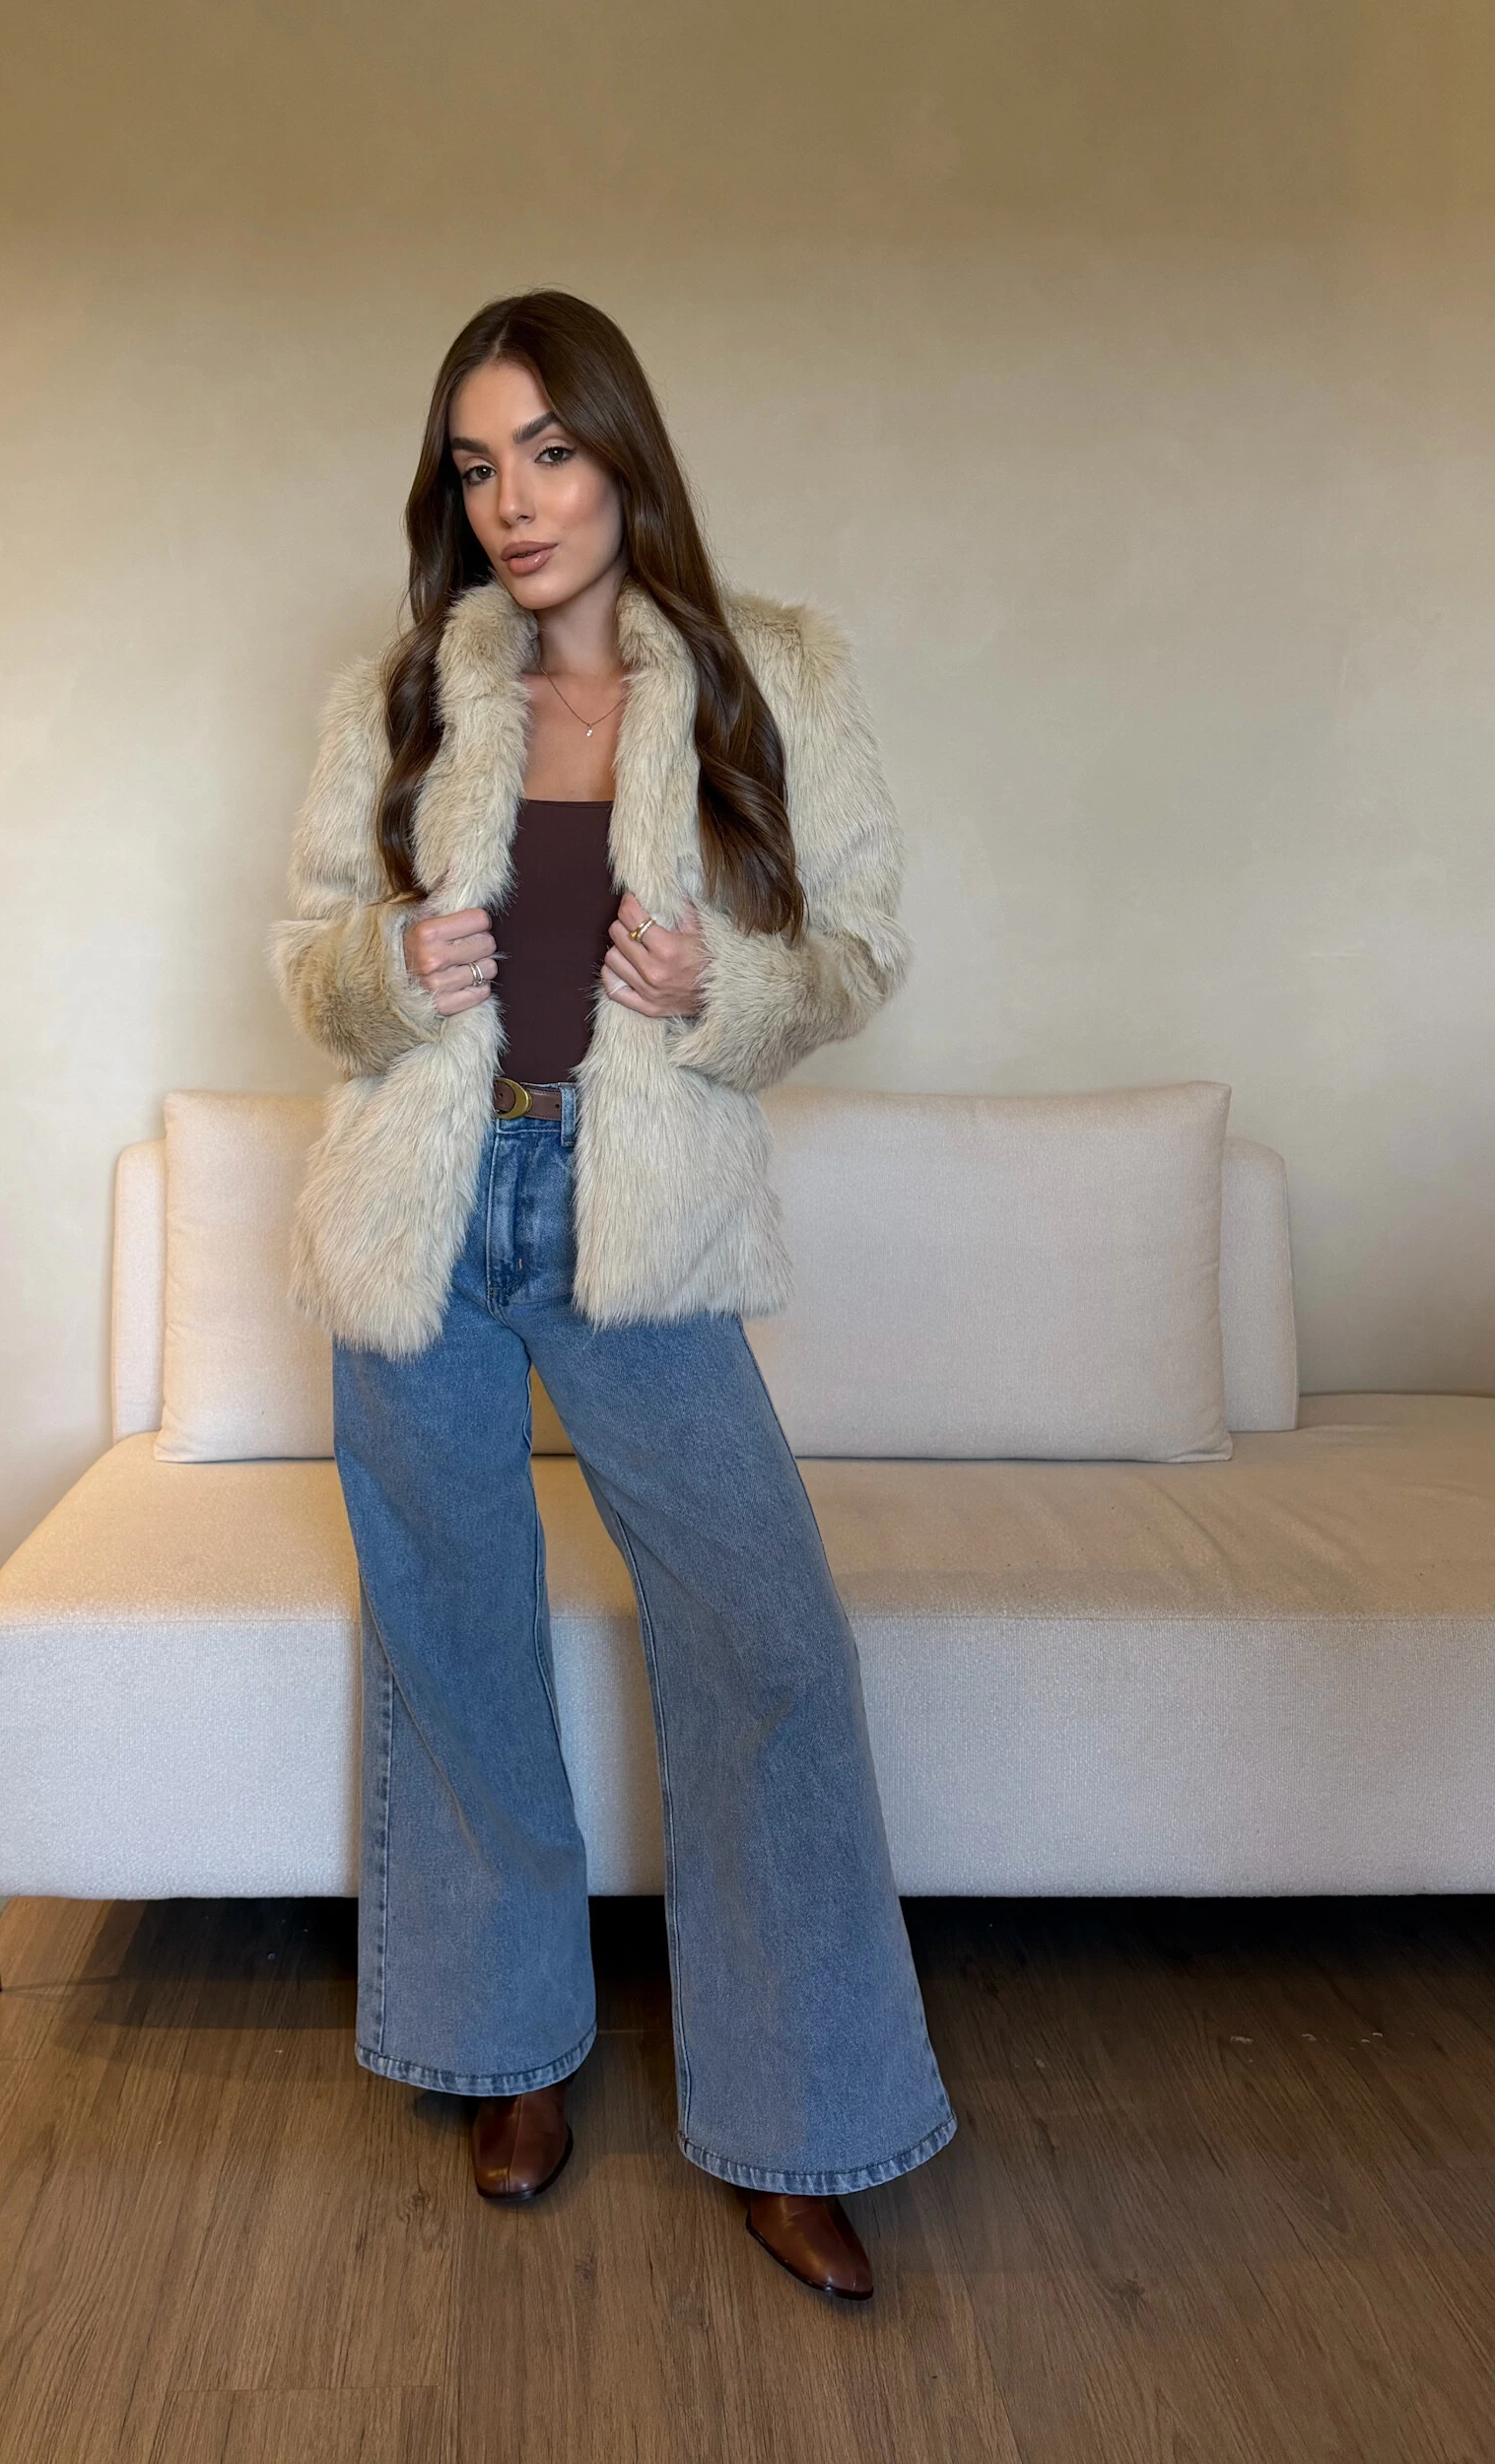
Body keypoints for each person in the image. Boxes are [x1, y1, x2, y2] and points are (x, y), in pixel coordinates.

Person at [269, 290, 956, 2300]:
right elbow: (309, 959)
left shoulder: (770, 675)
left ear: (622, 455)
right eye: (477, 465)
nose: (515, 501)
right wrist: (390, 968)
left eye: (550, 453)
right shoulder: (400, 695)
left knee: (766, 1648)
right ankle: (505, 2052)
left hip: (631, 1212)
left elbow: (859, 950)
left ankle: (800, 2118)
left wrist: (722, 989)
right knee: (454, 1636)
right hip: (422, 1214)